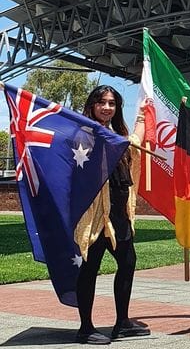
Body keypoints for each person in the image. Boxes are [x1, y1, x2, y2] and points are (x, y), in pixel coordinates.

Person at [74, 85, 151, 345]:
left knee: (128, 262)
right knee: (90, 268)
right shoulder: (85, 131)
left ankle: (122, 323)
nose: (107, 107)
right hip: (95, 213)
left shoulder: (118, 134)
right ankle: (85, 327)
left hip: (119, 212)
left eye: (112, 103)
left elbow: (135, 144)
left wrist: (142, 115)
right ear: (92, 105)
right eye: (101, 102)